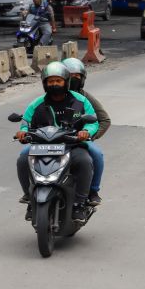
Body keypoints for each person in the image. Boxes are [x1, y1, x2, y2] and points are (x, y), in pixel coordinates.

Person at [15, 62, 98, 222]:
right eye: (50, 81)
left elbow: (93, 122)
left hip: (71, 145)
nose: (54, 84)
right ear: (45, 83)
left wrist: (86, 132)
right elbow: (25, 123)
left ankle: (80, 203)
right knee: (22, 160)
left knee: (85, 160)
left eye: (58, 81)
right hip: (42, 146)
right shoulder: (36, 103)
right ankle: (29, 198)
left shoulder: (80, 101)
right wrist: (23, 133)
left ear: (66, 82)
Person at [62, 58, 110, 206]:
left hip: (78, 139)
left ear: (82, 79)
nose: (73, 80)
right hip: (52, 138)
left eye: (77, 77)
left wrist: (89, 135)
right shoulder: (50, 95)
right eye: (70, 76)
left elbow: (104, 120)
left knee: (96, 154)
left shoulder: (84, 98)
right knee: (27, 156)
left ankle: (93, 191)